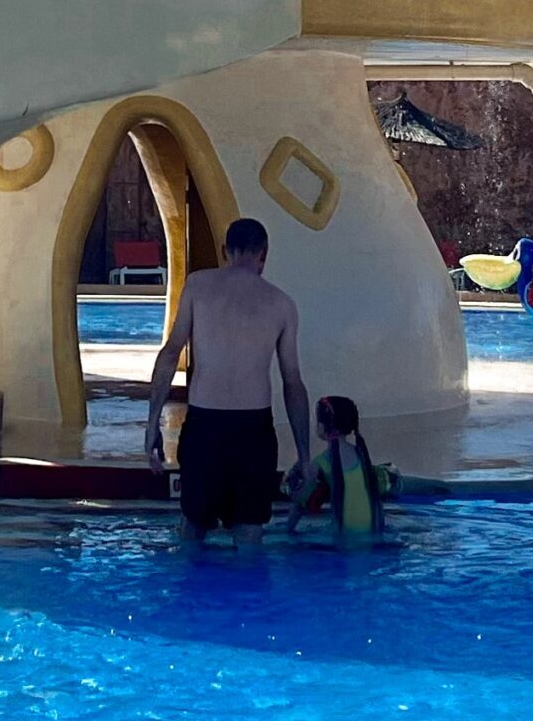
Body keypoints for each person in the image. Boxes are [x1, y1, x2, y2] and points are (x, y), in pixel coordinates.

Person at [143, 216, 311, 547]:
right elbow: (293, 383)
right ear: (264, 254)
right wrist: (304, 455)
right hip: (254, 429)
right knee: (249, 534)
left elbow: (169, 354)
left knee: (192, 530)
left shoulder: (197, 286)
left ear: (225, 251)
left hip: (205, 424)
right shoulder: (282, 304)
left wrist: (152, 424)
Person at [291, 394, 390, 545]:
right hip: (374, 534)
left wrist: (287, 529)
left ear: (323, 426)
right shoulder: (361, 455)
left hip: (344, 539)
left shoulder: (321, 462)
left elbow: (300, 501)